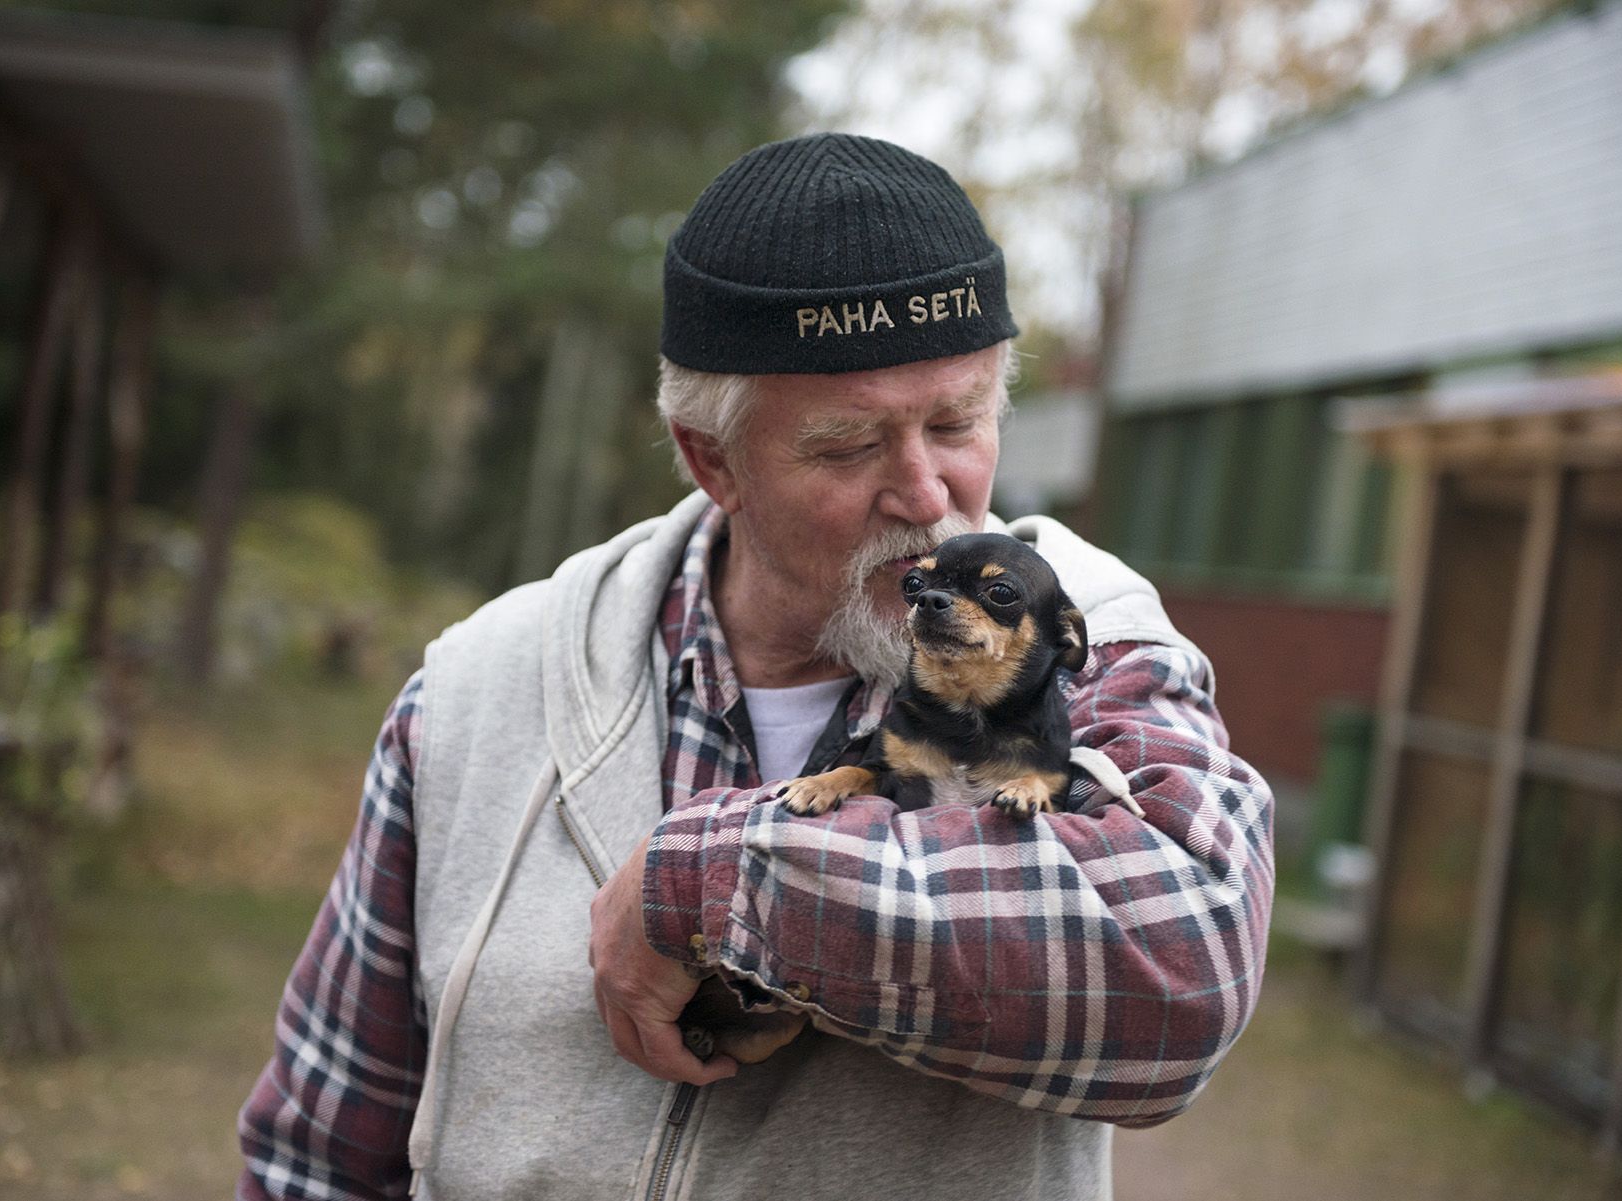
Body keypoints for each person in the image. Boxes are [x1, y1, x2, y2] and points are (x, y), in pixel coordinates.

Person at [237, 132, 1273, 1201]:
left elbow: (1182, 973)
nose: (926, 495)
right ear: (711, 458)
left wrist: (707, 883)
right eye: (848, 445)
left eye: (957, 421)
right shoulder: (475, 692)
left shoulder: (1085, 632)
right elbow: (319, 1150)